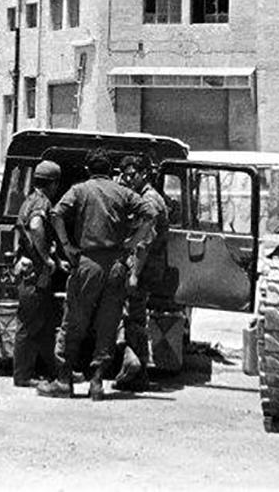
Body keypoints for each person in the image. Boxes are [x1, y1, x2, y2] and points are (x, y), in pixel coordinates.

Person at [39, 151, 144, 400]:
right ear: (110, 171)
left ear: (88, 169)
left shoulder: (79, 190)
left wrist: (66, 246)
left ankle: (64, 380)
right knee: (108, 324)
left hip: (88, 264)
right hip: (116, 265)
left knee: (74, 320)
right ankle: (97, 383)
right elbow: (150, 213)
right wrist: (132, 242)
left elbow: (55, 214)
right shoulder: (124, 192)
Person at [114, 153, 171, 391]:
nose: (127, 179)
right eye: (124, 175)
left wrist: (134, 274)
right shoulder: (147, 197)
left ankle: (135, 369)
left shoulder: (149, 202)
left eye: (131, 175)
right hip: (147, 266)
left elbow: (144, 243)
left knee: (134, 317)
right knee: (133, 316)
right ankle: (136, 368)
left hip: (144, 268)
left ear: (144, 174)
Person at [9, 160, 65, 387]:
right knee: (29, 324)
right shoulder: (41, 202)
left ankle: (55, 371)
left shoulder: (29, 200)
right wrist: (47, 259)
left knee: (42, 324)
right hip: (33, 274)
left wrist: (57, 261)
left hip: (31, 273)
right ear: (52, 184)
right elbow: (35, 227)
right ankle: (22, 376)